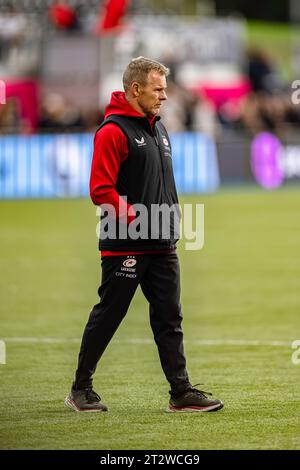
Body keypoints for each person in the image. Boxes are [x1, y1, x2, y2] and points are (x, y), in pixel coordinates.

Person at [65, 57, 223, 413]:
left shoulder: (159, 128)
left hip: (163, 243)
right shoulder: (112, 131)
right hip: (125, 244)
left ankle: (180, 392)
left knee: (170, 316)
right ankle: (80, 389)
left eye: (165, 89)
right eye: (159, 89)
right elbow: (100, 189)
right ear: (136, 89)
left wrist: (171, 220)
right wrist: (134, 216)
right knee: (110, 314)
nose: (165, 96)